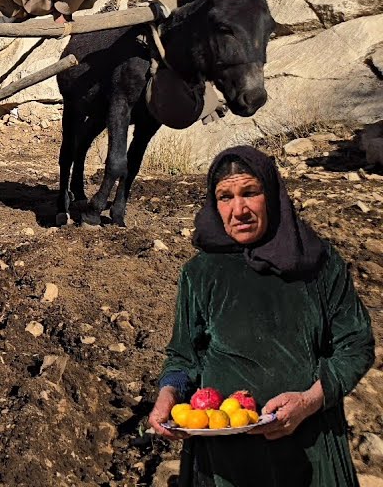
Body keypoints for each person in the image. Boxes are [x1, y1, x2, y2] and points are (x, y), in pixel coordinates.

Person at [147, 145, 374, 486]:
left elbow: (356, 345)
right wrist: (169, 393)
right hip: (226, 457)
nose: (238, 210)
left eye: (250, 193)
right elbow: (184, 355)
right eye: (225, 197)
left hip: (310, 443)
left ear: (271, 195)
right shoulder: (201, 273)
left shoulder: (317, 263)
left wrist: (310, 401)